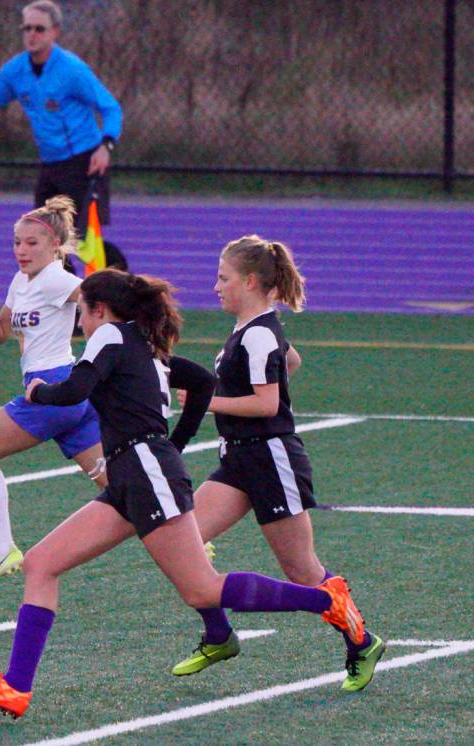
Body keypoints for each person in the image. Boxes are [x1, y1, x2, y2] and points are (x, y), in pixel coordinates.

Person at [0, 269, 368, 719]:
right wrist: (175, 444)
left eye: (81, 312)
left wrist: (39, 391)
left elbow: (75, 391)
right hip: (133, 474)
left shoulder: (109, 334)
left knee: (202, 589)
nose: (79, 321)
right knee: (41, 563)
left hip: (145, 471)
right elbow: (202, 382)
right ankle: (15, 687)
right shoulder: (142, 344)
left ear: (100, 310)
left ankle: (326, 599)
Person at [168, 235, 384, 692]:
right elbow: (291, 360)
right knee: (182, 541)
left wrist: (209, 402)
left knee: (302, 571)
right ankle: (219, 635)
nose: (216, 287)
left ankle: (362, 642)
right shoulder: (253, 330)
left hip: (271, 460)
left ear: (250, 281)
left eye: (223, 278)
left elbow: (267, 405)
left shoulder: (260, 332)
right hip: (239, 459)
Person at [0, 196, 105, 594]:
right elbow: (0, 335)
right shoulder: (21, 281)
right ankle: (187, 534)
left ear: (56, 245)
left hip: (51, 389)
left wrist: (113, 338)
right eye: (17, 243)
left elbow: (99, 298)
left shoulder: (56, 279)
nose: (21, 250)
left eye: (32, 243)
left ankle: (1, 551)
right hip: (69, 397)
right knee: (119, 488)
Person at [0, 0, 122, 237]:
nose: (32, 34)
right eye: (27, 28)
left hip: (83, 162)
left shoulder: (72, 70)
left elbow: (111, 108)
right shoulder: (16, 71)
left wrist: (105, 147)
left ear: (54, 32)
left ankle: (106, 264)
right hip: (50, 164)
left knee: (84, 242)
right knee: (43, 238)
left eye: (39, 29)